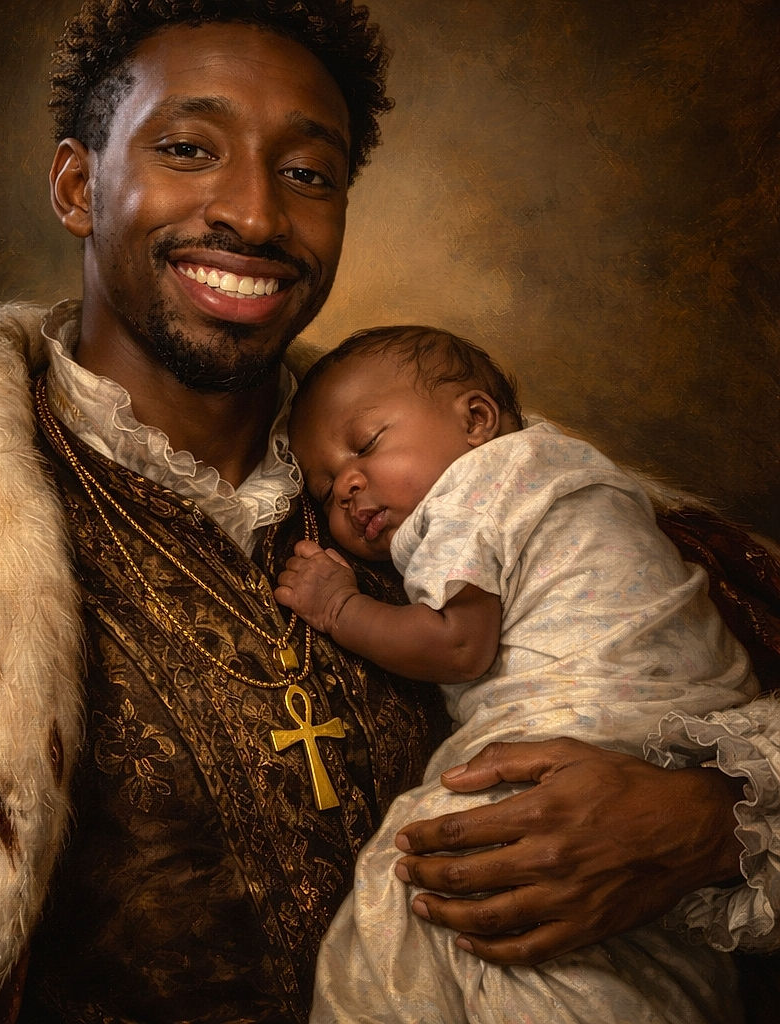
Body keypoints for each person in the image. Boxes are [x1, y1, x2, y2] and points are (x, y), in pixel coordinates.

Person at [0, 3, 776, 1023]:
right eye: (189, 148)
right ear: (79, 186)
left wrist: (707, 821)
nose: (252, 214)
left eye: (306, 173)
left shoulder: (488, 483)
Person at [274, 324, 759, 1022]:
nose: (346, 486)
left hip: (594, 721)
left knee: (408, 880)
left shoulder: (477, 487)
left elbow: (456, 646)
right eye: (322, 492)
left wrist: (340, 605)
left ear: (476, 421)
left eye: (367, 445)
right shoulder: (570, 470)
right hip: (685, 728)